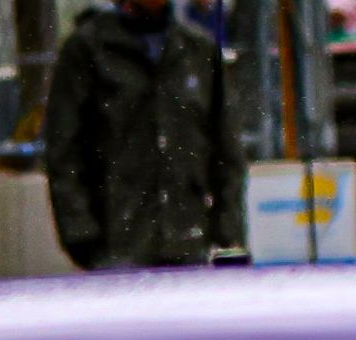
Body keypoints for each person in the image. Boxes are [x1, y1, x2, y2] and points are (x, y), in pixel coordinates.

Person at [40, 0, 244, 271]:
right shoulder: (88, 50)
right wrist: (82, 237)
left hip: (189, 244)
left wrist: (226, 234)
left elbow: (227, 152)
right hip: (116, 248)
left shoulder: (198, 51)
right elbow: (63, 152)